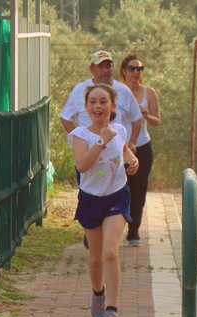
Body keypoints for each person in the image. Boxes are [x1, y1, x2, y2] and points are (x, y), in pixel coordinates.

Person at [67, 83, 139, 317]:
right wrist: (100, 141)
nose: (98, 106)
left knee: (110, 251)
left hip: (117, 196)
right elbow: (82, 165)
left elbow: (126, 153)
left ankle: (113, 308)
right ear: (86, 107)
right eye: (93, 102)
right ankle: (98, 292)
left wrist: (133, 161)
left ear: (113, 106)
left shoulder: (119, 130)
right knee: (96, 256)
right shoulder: (80, 135)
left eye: (103, 101)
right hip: (90, 199)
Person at [60, 50, 142, 249]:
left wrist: (129, 144)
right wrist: (78, 140)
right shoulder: (80, 90)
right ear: (92, 68)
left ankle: (110, 233)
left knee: (117, 192)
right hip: (89, 157)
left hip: (115, 156)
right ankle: (94, 230)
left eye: (109, 65)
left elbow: (136, 118)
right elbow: (65, 116)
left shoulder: (122, 90)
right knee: (92, 193)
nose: (106, 70)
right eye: (101, 65)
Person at [119, 54, 161, 247]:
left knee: (139, 189)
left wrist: (147, 115)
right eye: (132, 68)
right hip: (118, 146)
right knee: (118, 187)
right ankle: (107, 226)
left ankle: (134, 230)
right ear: (124, 71)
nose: (136, 72)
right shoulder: (116, 91)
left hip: (142, 145)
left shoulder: (149, 92)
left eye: (140, 69)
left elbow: (157, 121)